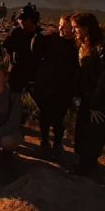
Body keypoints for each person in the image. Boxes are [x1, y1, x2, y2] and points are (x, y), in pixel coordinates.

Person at [70, 13, 105, 175]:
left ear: (87, 28)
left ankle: (87, 168)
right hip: (90, 97)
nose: (74, 31)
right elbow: (82, 75)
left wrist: (95, 106)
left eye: (76, 27)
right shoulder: (84, 45)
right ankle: (84, 165)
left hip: (104, 101)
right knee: (83, 131)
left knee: (94, 134)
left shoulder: (103, 48)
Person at [32, 28, 79, 160]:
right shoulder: (50, 39)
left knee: (58, 118)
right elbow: (35, 51)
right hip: (47, 85)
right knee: (46, 115)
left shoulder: (76, 45)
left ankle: (57, 144)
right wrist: (39, 35)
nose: (63, 29)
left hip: (63, 87)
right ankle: (45, 142)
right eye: (61, 26)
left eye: (66, 26)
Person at [2, 3, 42, 94]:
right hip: (16, 73)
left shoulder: (40, 35)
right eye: (20, 19)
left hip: (33, 74)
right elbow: (6, 48)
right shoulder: (15, 32)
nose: (21, 21)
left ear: (32, 19)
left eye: (24, 19)